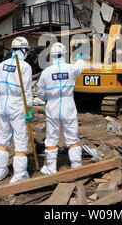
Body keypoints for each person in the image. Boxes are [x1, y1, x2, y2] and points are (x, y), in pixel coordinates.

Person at [37, 42, 86, 175]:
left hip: (52, 105)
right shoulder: (71, 69)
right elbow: (81, 66)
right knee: (72, 136)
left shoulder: (46, 72)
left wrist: (47, 98)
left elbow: (41, 92)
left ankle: (51, 168)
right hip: (68, 103)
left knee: (52, 137)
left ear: (51, 56)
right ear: (64, 54)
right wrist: (80, 58)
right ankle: (76, 166)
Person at [0, 37, 33, 183]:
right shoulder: (24, 67)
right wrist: (29, 108)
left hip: (3, 103)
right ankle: (20, 174)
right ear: (23, 50)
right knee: (21, 138)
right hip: (17, 104)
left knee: (3, 137)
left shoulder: (1, 65)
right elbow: (26, 91)